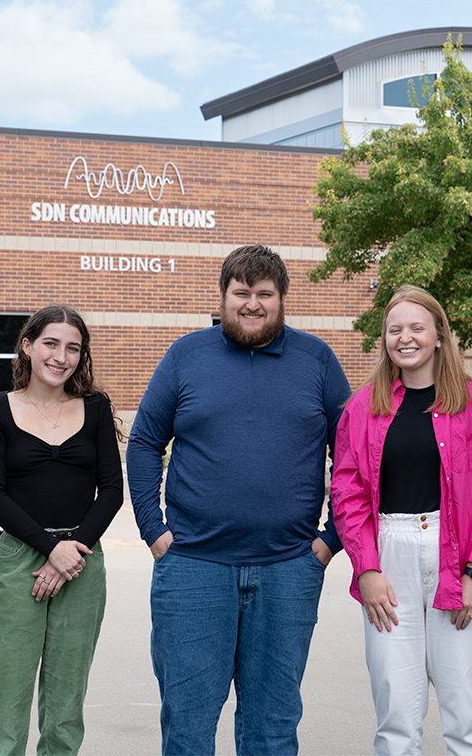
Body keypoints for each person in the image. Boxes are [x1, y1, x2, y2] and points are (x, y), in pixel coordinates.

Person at [127, 244, 350, 756]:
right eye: (241, 292)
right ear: (223, 296)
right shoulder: (187, 355)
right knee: (188, 728)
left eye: (264, 294)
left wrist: (329, 540)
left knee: (272, 729)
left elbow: (354, 456)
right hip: (193, 569)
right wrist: (153, 531)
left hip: (288, 569)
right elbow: (143, 443)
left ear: (282, 298)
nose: (252, 304)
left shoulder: (316, 360)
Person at [331, 285, 472, 756]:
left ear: (439, 336)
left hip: (460, 556)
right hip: (389, 555)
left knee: (467, 710)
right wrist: (367, 570)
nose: (405, 338)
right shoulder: (362, 407)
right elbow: (347, 494)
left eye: (417, 327)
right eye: (395, 329)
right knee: (395, 712)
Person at [0, 305, 125, 756]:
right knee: (6, 700)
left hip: (82, 562)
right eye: (51, 343)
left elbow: (112, 491)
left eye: (73, 348)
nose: (61, 356)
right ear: (27, 345)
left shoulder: (96, 408)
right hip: (19, 559)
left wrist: (70, 552)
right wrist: (50, 549)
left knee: (65, 708)